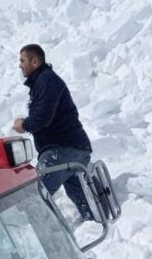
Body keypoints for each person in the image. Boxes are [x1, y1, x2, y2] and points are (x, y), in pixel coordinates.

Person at [12, 44, 94, 221]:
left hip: (62, 151)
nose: (20, 65)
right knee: (82, 203)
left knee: (36, 196)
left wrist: (23, 125)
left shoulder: (46, 80)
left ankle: (54, 241)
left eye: (22, 60)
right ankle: (93, 224)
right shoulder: (43, 81)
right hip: (72, 149)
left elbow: (42, 118)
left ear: (35, 61)